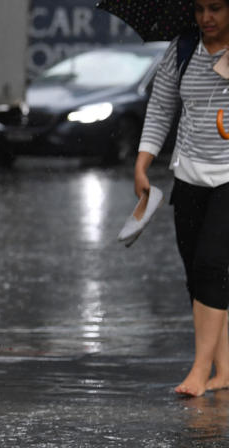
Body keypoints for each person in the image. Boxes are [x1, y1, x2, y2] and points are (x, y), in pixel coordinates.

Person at [135, 0, 229, 397]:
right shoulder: (184, 46)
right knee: (198, 272)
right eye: (199, 9)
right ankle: (225, 370)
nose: (206, 18)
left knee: (212, 264)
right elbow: (160, 107)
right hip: (188, 173)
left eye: (217, 8)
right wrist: (143, 164)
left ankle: (199, 370)